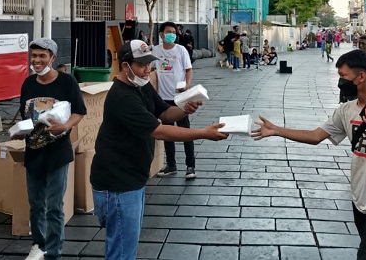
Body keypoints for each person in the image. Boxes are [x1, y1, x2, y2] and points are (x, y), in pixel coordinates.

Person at [253, 50, 366, 259]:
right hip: (360, 192)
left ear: (361, 77)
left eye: (343, 76)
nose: (340, 82)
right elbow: (315, 136)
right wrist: (277, 130)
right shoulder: (346, 110)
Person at [90, 40, 228, 260]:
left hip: (131, 179)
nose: (147, 70)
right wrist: (204, 133)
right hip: (117, 184)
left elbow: (164, 113)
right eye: (141, 64)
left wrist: (185, 108)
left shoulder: (142, 85)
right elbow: (159, 130)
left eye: (149, 64)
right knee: (122, 252)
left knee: (125, 246)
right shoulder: (122, 97)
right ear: (126, 66)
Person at [17, 38, 86, 260]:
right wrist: (20, 129)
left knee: (54, 205)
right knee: (36, 204)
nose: (37, 60)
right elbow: (25, 114)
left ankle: (54, 252)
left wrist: (65, 126)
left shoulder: (67, 82)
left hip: (58, 152)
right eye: (34, 56)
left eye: (42, 56)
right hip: (33, 150)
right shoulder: (28, 84)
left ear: (53, 58)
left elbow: (79, 112)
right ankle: (39, 244)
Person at [152, 22, 196, 180]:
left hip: (180, 98)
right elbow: (149, 69)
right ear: (161, 34)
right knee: (167, 134)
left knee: (185, 132)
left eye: (174, 32)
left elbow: (188, 69)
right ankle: (171, 165)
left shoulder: (181, 50)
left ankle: (190, 166)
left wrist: (187, 84)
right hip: (163, 99)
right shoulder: (156, 51)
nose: (172, 35)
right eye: (168, 32)